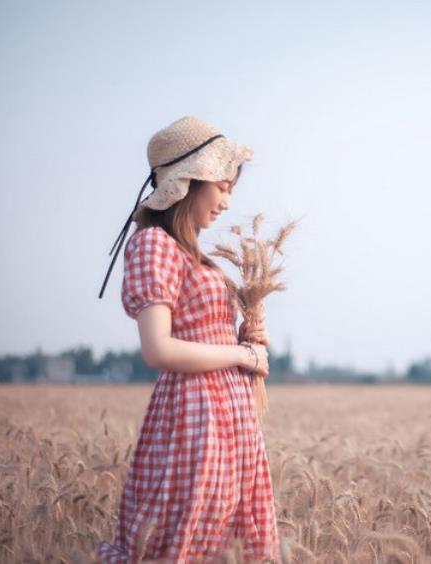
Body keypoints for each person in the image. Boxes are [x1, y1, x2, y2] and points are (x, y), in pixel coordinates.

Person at [97, 116, 280, 563]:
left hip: (231, 420)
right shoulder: (154, 244)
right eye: (223, 185)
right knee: (187, 544)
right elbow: (158, 348)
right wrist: (242, 353)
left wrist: (247, 339)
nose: (228, 198)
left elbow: (204, 336)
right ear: (189, 181)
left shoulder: (194, 253)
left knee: (230, 546)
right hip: (194, 419)